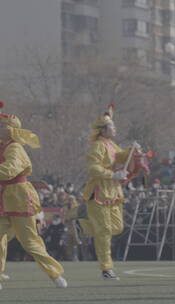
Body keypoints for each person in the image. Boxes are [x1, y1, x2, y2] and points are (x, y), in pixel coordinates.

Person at [0, 102, 67, 289]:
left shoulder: (15, 149)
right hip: (5, 198)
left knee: (29, 242)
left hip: (19, 198)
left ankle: (55, 274)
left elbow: (8, 171)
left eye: (0, 126)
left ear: (10, 130)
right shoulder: (2, 146)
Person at [81, 104, 136, 280]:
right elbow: (93, 168)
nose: (115, 128)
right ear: (103, 130)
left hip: (113, 192)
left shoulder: (111, 144)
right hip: (98, 192)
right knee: (104, 231)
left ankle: (84, 225)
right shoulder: (97, 146)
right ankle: (106, 269)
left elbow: (120, 156)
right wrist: (113, 174)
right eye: (112, 126)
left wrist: (132, 151)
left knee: (117, 227)